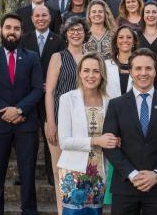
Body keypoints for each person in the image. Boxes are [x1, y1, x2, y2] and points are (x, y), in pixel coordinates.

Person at [103, 48, 157, 215]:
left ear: (155, 71)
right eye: (138, 68)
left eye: (148, 68)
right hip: (125, 184)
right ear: (131, 72)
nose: (143, 73)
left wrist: (156, 174)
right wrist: (132, 174)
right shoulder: (116, 105)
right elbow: (109, 145)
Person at [0, 13, 43, 214]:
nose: (12, 32)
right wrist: (7, 111)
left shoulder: (32, 57)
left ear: (21, 32)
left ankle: (29, 211)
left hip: (26, 124)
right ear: (1, 30)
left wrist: (19, 109)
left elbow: (37, 89)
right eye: (8, 28)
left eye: (16, 28)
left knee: (27, 174)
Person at [57, 52, 119, 214]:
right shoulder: (67, 99)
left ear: (102, 74)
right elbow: (63, 141)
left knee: (95, 212)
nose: (91, 75)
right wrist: (95, 141)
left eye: (96, 71)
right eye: (86, 70)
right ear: (79, 73)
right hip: (72, 169)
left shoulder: (110, 100)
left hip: (99, 169)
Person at [45, 16, 90, 215]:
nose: (76, 33)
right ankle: (63, 211)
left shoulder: (92, 56)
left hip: (85, 121)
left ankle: (82, 209)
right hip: (59, 119)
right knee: (59, 171)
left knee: (84, 171)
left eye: (79, 29)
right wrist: (51, 123)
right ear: (66, 33)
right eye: (71, 30)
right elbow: (50, 92)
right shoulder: (58, 57)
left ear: (85, 33)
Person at [20, 5, 66, 186]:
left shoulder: (60, 40)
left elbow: (64, 64)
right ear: (31, 19)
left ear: (50, 18)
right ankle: (24, 175)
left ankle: (51, 176)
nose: (41, 18)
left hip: (51, 96)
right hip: (29, 96)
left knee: (51, 136)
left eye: (44, 15)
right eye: (37, 15)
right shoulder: (24, 40)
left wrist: (53, 83)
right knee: (27, 140)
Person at [103, 25, 138, 205]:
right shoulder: (106, 64)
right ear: (116, 41)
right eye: (121, 37)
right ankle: (111, 197)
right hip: (110, 117)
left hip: (135, 119)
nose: (125, 40)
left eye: (128, 37)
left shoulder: (140, 64)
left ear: (134, 41)